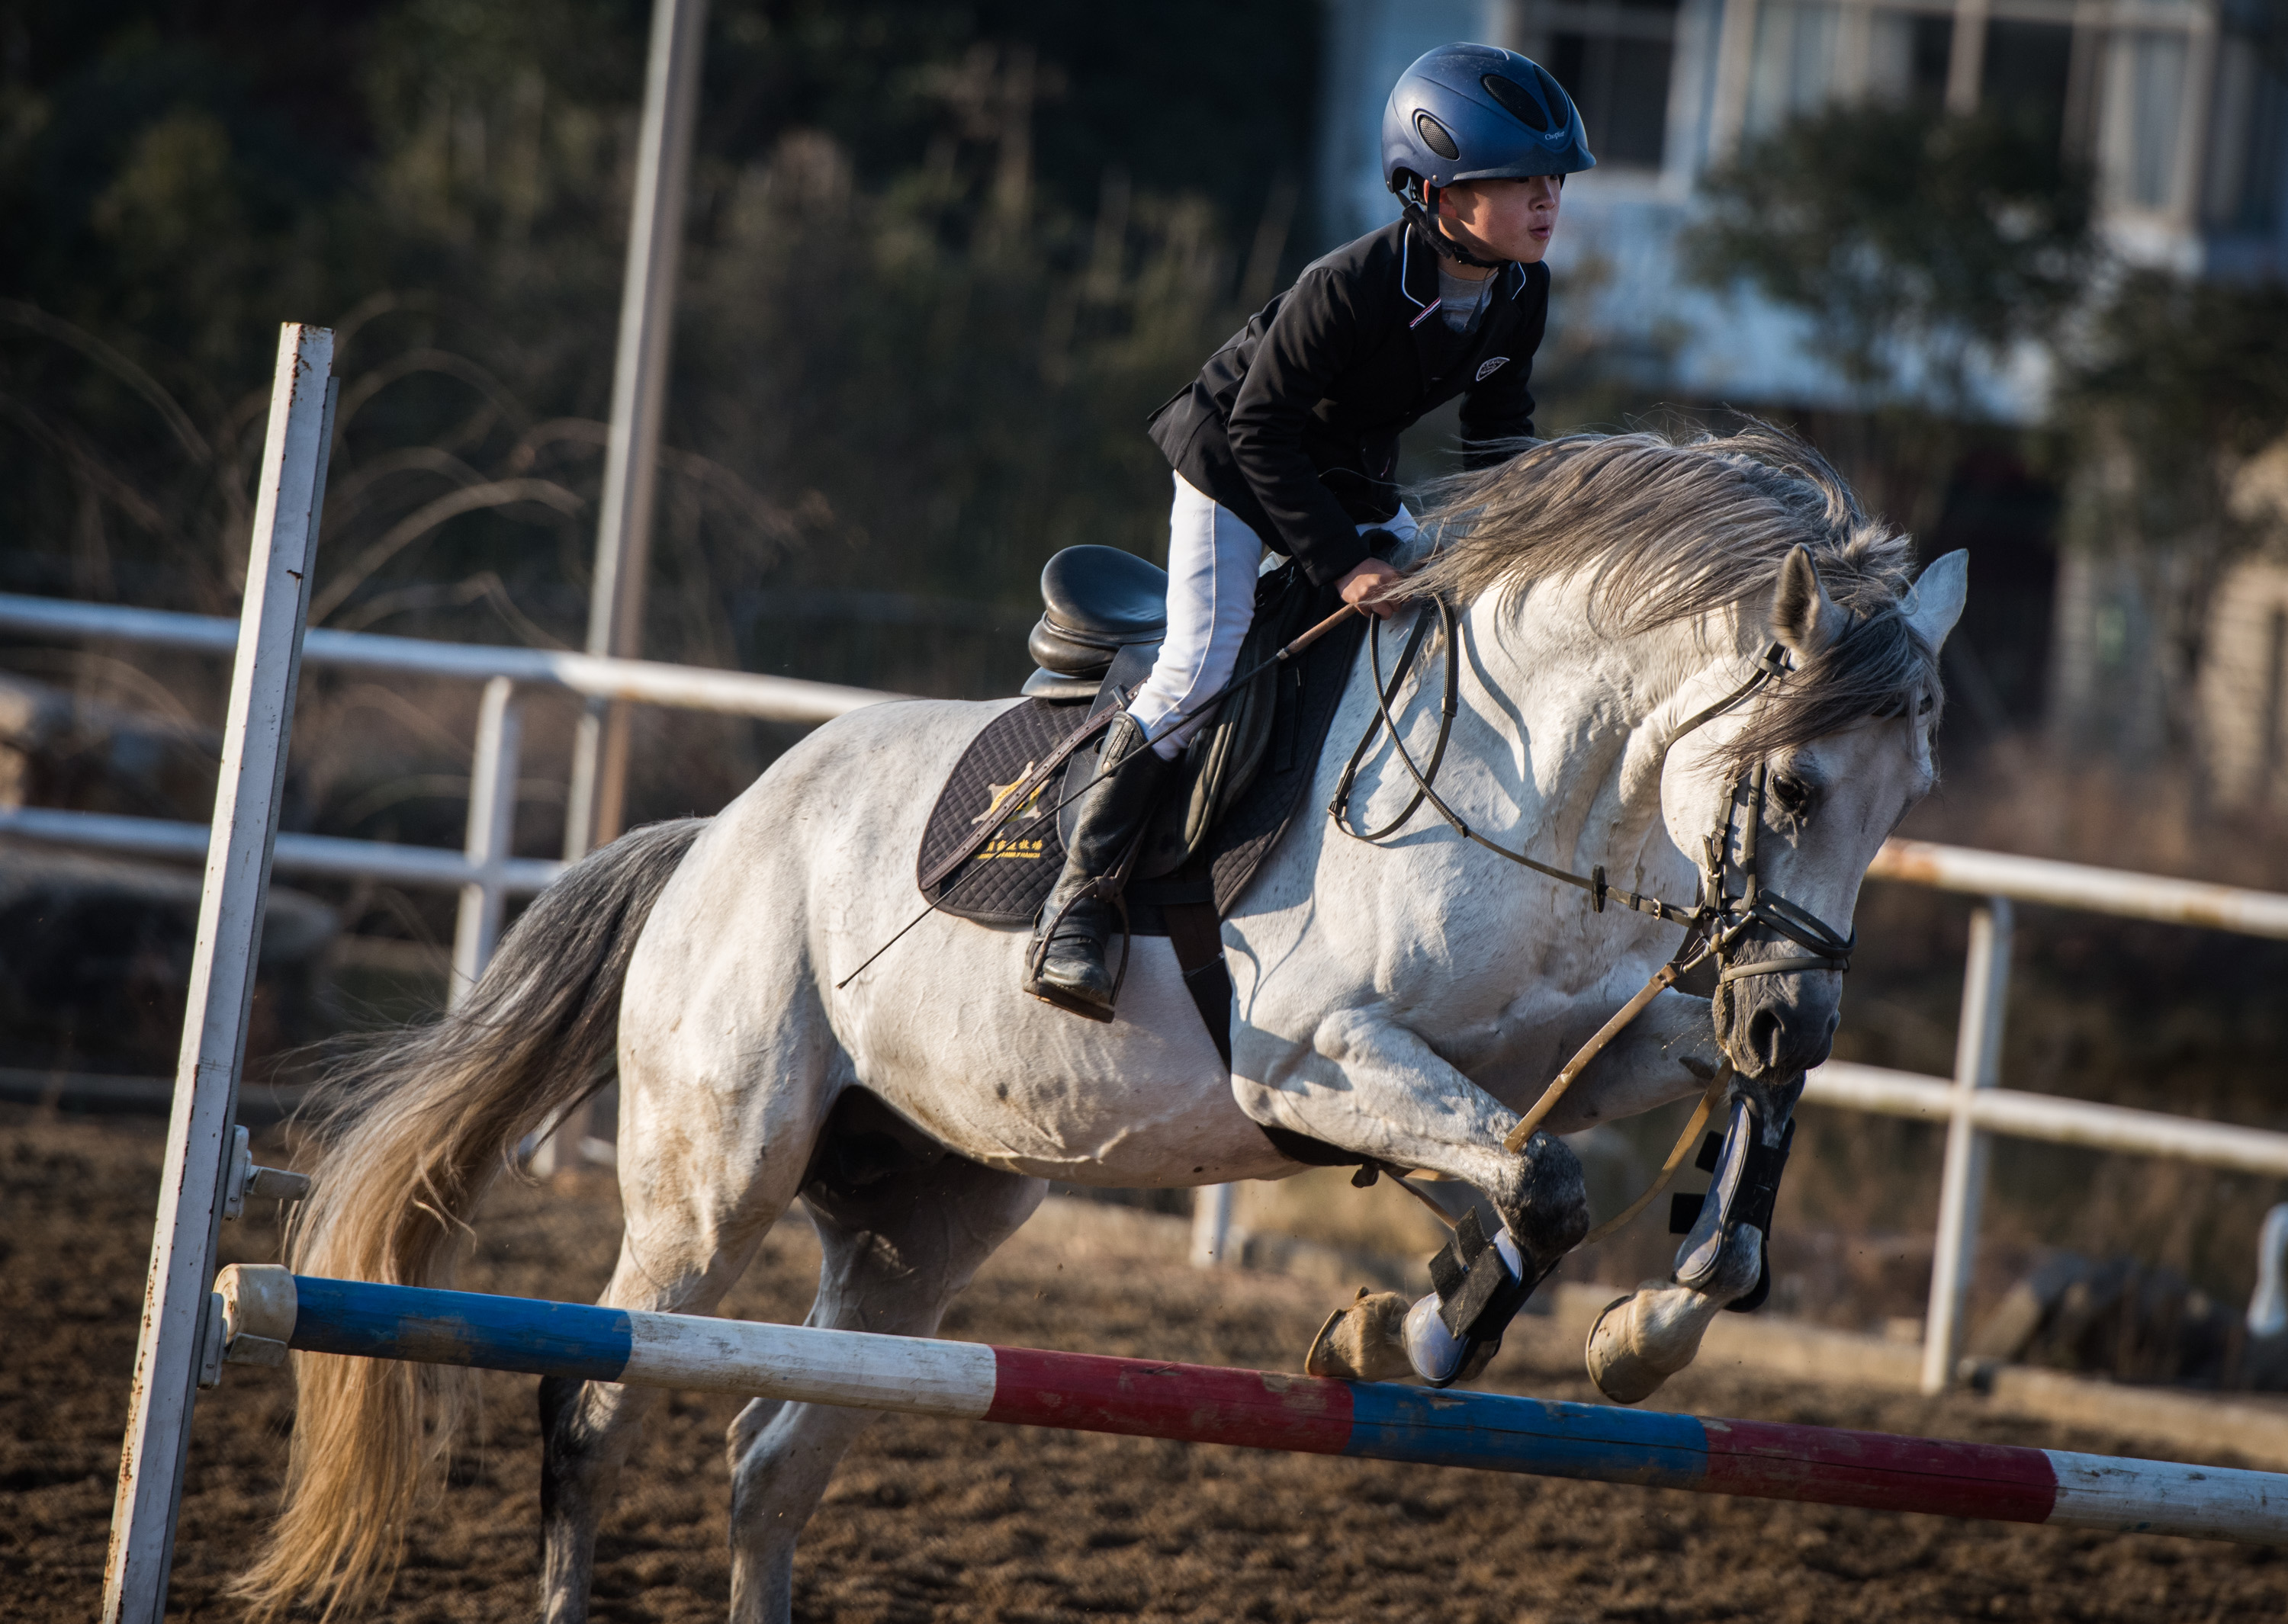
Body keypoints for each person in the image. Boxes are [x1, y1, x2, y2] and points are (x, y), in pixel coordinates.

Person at [1023, 42, 1595, 1020]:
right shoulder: (1350, 284)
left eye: (1554, 178)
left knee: (1451, 622)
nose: (1547, 199)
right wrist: (1342, 567)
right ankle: (1077, 907)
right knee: (1199, 672)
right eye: (1518, 181)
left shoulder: (1519, 290)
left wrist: (1535, 542)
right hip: (1234, 466)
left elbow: (1498, 432)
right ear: (1436, 192)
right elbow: (1258, 429)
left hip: (1342, 469)